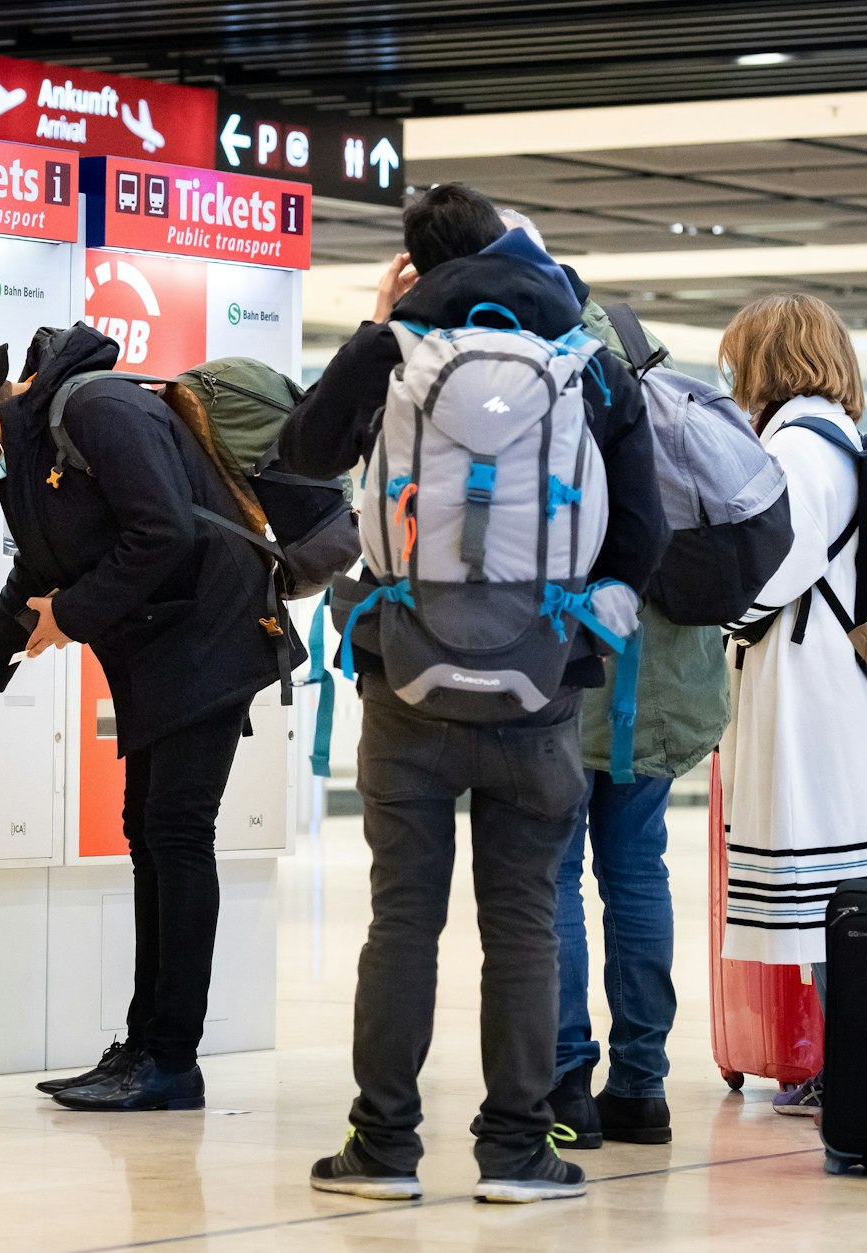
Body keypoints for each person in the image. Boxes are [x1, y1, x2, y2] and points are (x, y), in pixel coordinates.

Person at [284, 184, 669, 1203]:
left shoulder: (395, 343)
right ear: (508, 241)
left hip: (404, 684)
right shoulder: (584, 353)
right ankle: (513, 1149)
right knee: (526, 922)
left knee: (400, 920)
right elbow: (645, 527)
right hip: (538, 689)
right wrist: (582, 618)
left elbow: (303, 452)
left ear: (414, 265)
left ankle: (382, 1146)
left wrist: (376, 325)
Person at [0, 325, 295, 1112]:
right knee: (149, 832)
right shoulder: (28, 456)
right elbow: (34, 573)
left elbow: (166, 530)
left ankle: (172, 1058)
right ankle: (146, 1044)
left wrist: (72, 615)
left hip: (213, 638)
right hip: (162, 653)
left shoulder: (101, 409)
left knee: (175, 834)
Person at [495, 211, 729, 1150]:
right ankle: (643, 1085)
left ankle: (565, 1086)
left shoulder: (534, 369)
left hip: (572, 658)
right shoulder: (641, 351)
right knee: (637, 870)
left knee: (550, 875)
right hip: (669, 669)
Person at [716, 293, 867, 1117]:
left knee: (831, 903)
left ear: (769, 363)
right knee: (848, 894)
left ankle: (863, 1072)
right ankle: (854, 1066)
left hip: (812, 708)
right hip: (852, 701)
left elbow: (763, 576)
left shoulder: (799, 451)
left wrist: (715, 598)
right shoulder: (845, 441)